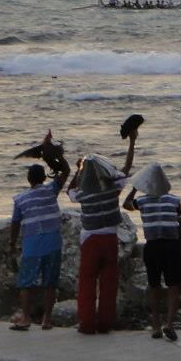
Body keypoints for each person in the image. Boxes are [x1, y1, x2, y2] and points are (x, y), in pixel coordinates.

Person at [67, 129, 137, 334]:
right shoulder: (113, 188)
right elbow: (127, 167)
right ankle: (106, 323)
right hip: (109, 239)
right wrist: (132, 142)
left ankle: (87, 324)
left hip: (89, 239)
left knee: (87, 282)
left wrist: (77, 169)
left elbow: (69, 190)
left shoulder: (81, 194)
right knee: (109, 283)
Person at [8, 133, 70, 331]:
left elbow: (15, 224)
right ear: (44, 178)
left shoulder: (20, 199)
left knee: (26, 283)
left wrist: (11, 244)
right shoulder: (51, 190)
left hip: (32, 245)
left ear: (28, 179)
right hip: (53, 243)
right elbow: (66, 171)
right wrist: (54, 154)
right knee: (50, 284)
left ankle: (26, 318)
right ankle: (46, 320)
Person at [124, 162, 181, 341]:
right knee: (174, 286)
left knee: (154, 286)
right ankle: (170, 324)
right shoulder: (175, 200)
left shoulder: (142, 201)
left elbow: (126, 204)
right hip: (171, 245)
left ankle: (156, 326)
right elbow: (180, 222)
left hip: (152, 246)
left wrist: (135, 188)